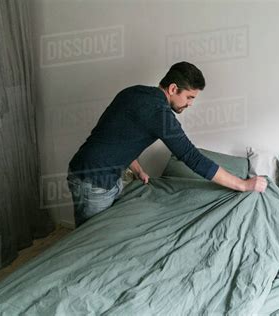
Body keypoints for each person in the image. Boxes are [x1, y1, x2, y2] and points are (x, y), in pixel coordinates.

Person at [67, 61, 267, 227]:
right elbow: (191, 156)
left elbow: (119, 136)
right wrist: (242, 184)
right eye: (189, 97)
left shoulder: (133, 92)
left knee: (102, 234)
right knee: (89, 243)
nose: (190, 104)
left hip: (98, 172)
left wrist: (137, 169)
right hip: (92, 181)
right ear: (173, 89)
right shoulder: (159, 114)